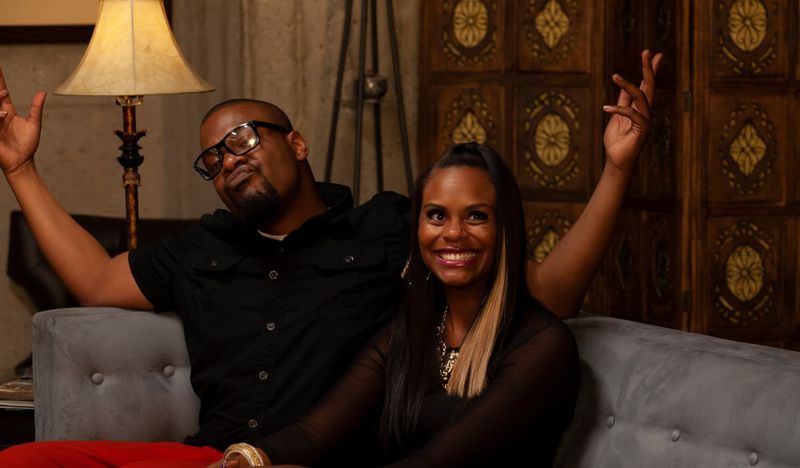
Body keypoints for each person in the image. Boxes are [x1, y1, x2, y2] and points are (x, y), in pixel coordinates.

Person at [0, 49, 661, 466]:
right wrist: (21, 169)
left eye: (241, 140)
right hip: (224, 458)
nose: (229, 162)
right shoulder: (202, 247)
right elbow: (95, 280)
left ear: (297, 142)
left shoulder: (388, 228)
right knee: (28, 461)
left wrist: (615, 172)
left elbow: (544, 293)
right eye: (213, 160)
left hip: (329, 461)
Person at [212, 142, 581, 468]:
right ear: (417, 228)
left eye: (476, 216)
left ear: (505, 229)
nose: (453, 233)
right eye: (436, 215)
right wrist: (247, 458)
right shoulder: (407, 334)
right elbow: (314, 431)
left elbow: (435, 462)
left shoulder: (542, 344)